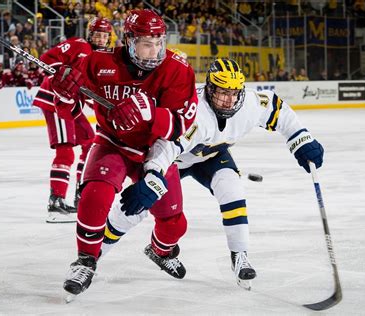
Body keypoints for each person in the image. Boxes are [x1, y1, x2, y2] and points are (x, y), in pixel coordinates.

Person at [101, 58, 324, 290]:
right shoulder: (193, 109)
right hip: (174, 161)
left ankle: (240, 256)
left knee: (232, 188)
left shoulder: (249, 104)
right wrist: (154, 175)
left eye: (234, 93)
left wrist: (300, 138)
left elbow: (278, 109)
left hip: (211, 156)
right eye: (223, 92)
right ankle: (93, 253)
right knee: (138, 207)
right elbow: (167, 145)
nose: (230, 99)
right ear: (209, 88)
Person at [50, 10, 198, 296]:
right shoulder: (99, 62)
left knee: (174, 221)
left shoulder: (178, 69)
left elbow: (182, 125)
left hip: (155, 152)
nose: (154, 50)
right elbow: (70, 110)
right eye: (146, 42)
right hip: (112, 143)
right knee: (95, 195)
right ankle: (85, 260)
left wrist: (150, 113)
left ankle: (160, 251)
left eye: (159, 42)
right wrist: (64, 94)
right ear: (129, 40)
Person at [32, 17, 113, 223]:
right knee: (65, 151)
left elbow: (92, 93)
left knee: (89, 141)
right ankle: (56, 202)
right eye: (97, 34)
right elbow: (47, 58)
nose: (101, 39)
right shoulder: (79, 45)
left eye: (105, 35)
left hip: (71, 103)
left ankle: (81, 194)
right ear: (90, 34)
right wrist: (62, 73)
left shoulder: (101, 59)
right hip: (56, 99)